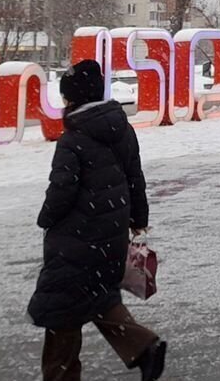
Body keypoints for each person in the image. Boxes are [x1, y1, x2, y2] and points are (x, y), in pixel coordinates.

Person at [28, 60, 167, 381]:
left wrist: (46, 219)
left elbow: (61, 189)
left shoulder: (73, 138)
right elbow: (135, 177)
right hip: (110, 232)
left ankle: (61, 376)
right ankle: (143, 347)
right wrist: (138, 219)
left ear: (73, 99)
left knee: (61, 307)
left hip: (76, 237)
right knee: (97, 295)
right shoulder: (121, 128)